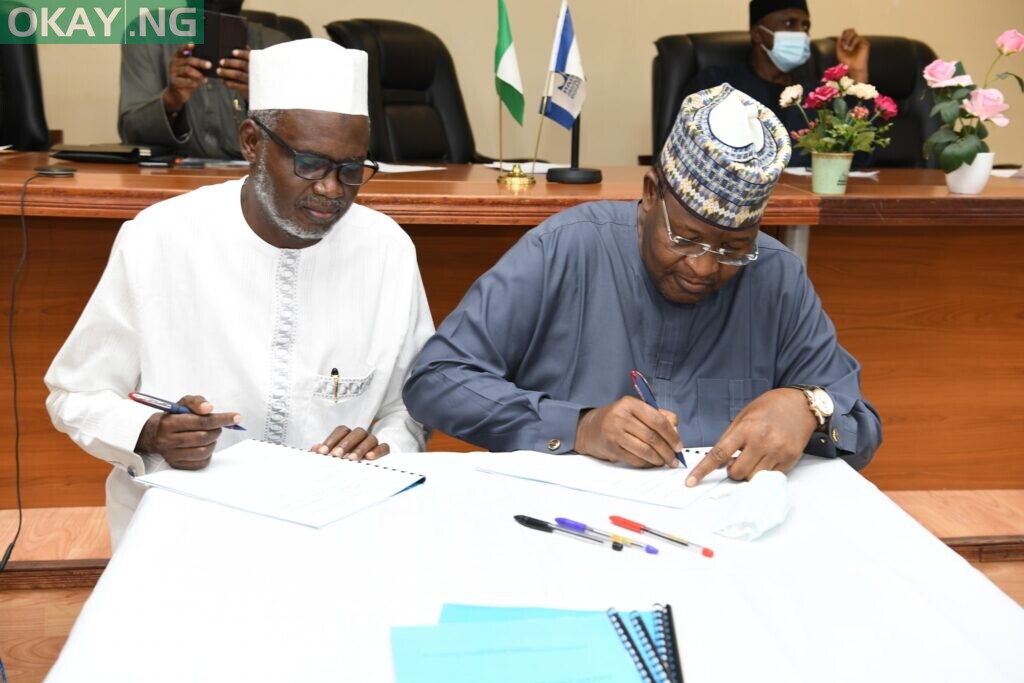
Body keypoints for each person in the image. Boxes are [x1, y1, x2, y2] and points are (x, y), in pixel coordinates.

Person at [47, 39, 434, 545]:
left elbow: (414, 406)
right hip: (184, 532)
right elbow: (75, 393)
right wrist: (148, 432)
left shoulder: (386, 250)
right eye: (311, 164)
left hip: (337, 530)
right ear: (252, 142)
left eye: (352, 170)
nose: (332, 190)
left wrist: (384, 449)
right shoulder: (160, 237)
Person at [403, 84, 881, 486]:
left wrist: (807, 406)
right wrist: (578, 426)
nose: (703, 269)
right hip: (566, 529)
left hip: (721, 540)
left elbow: (861, 425)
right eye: (686, 238)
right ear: (652, 195)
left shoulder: (775, 275)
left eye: (731, 249)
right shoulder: (566, 248)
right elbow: (437, 380)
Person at [681, 0, 869, 164]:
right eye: (789, 23)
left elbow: (861, 159)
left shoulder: (817, 96)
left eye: (805, 27)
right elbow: (682, 150)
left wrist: (856, 74)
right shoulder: (716, 85)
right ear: (757, 33)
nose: (801, 34)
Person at [118, 0, 289, 159]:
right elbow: (131, 133)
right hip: (173, 177)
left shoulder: (281, 46)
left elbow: (299, 139)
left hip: (253, 180)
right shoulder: (147, 33)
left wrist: (258, 96)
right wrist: (172, 99)